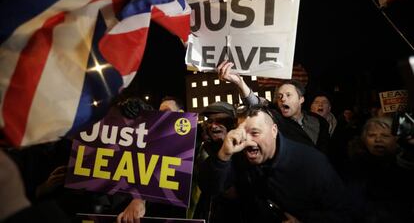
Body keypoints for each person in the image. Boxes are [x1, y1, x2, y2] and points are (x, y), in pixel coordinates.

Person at [198, 104, 352, 222]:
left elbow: (342, 211)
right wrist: (223, 155)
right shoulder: (237, 155)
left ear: (274, 130)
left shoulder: (311, 162)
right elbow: (210, 187)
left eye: (255, 133)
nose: (248, 140)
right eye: (243, 133)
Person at [217, 60, 330, 153]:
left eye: (288, 95)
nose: (283, 99)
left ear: (301, 99)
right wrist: (239, 83)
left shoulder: (319, 122)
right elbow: (255, 102)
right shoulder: (275, 117)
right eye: (280, 96)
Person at [117, 95, 186, 223]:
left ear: (180, 114)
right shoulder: (151, 138)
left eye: (166, 112)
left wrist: (141, 197)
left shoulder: (189, 145)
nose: (160, 116)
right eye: (159, 113)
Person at [342, 116, 414, 222]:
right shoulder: (354, 167)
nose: (378, 140)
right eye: (371, 135)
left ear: (397, 139)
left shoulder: (406, 166)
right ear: (364, 139)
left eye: (385, 135)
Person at [190, 101, 240, 222]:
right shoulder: (202, 149)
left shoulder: (244, 150)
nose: (213, 126)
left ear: (232, 124)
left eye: (219, 121)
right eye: (210, 121)